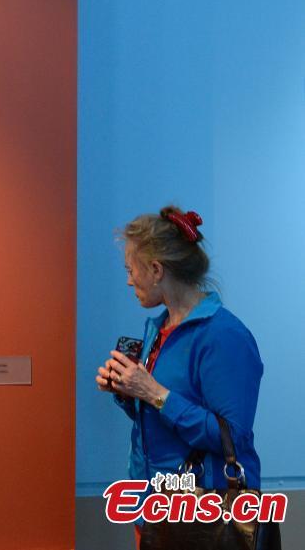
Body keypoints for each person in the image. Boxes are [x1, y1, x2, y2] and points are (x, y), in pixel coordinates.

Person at [95, 206, 263, 547]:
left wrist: (156, 393)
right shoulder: (157, 328)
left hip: (205, 518)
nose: (128, 280)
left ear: (156, 270)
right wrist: (129, 391)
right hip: (155, 509)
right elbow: (161, 416)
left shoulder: (223, 336)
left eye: (131, 270)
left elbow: (232, 437)